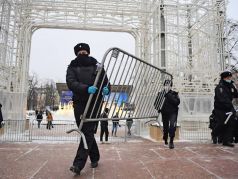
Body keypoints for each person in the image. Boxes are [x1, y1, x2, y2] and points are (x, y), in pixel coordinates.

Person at [66, 43, 110, 175]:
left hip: (94, 103)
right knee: (86, 131)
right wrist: (86, 88)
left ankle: (78, 164)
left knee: (87, 131)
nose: (82, 54)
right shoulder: (72, 66)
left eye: (85, 52)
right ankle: (95, 157)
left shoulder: (97, 65)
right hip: (79, 103)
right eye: (80, 52)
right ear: (76, 54)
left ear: (88, 52)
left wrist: (107, 89)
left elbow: (105, 81)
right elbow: (71, 82)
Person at [212, 70, 238, 147]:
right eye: (228, 77)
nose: (230, 78)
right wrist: (230, 106)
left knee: (230, 123)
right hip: (220, 108)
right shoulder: (219, 87)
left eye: (230, 77)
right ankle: (214, 133)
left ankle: (226, 141)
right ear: (224, 78)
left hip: (229, 108)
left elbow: (235, 94)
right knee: (221, 123)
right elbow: (222, 99)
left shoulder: (231, 86)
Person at [156, 82, 180, 149]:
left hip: (173, 113)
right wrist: (159, 108)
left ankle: (171, 141)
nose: (167, 86)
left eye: (169, 85)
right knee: (165, 128)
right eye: (166, 85)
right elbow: (156, 103)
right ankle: (166, 138)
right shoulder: (160, 94)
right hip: (165, 113)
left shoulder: (174, 94)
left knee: (172, 126)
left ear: (171, 86)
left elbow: (177, 102)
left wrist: (169, 96)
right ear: (164, 86)